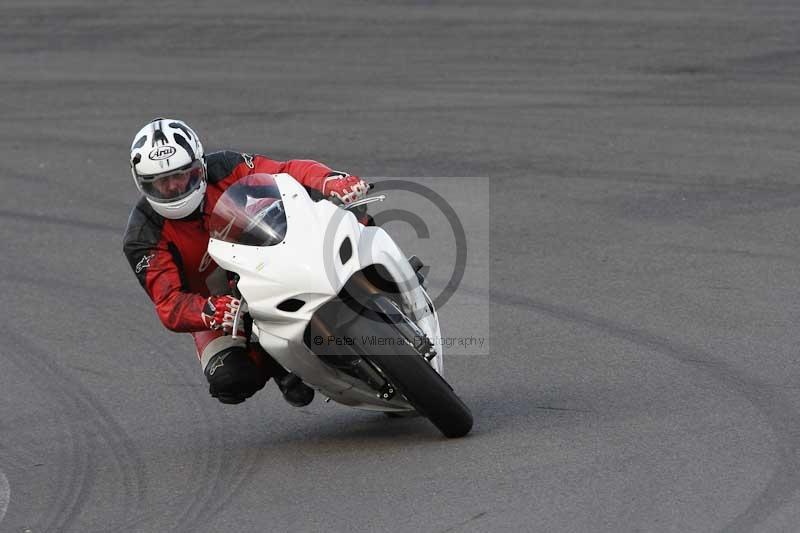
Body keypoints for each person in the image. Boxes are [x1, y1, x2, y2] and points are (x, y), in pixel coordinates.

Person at [122, 118, 369, 406]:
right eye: (162, 182)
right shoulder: (143, 235)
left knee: (350, 209)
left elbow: (283, 172)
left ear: (200, 166)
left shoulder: (225, 167)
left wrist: (328, 180)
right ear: (143, 184)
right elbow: (169, 303)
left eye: (182, 175)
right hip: (220, 305)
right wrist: (209, 311)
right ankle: (277, 365)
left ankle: (379, 278)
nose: (175, 187)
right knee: (230, 379)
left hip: (268, 259)